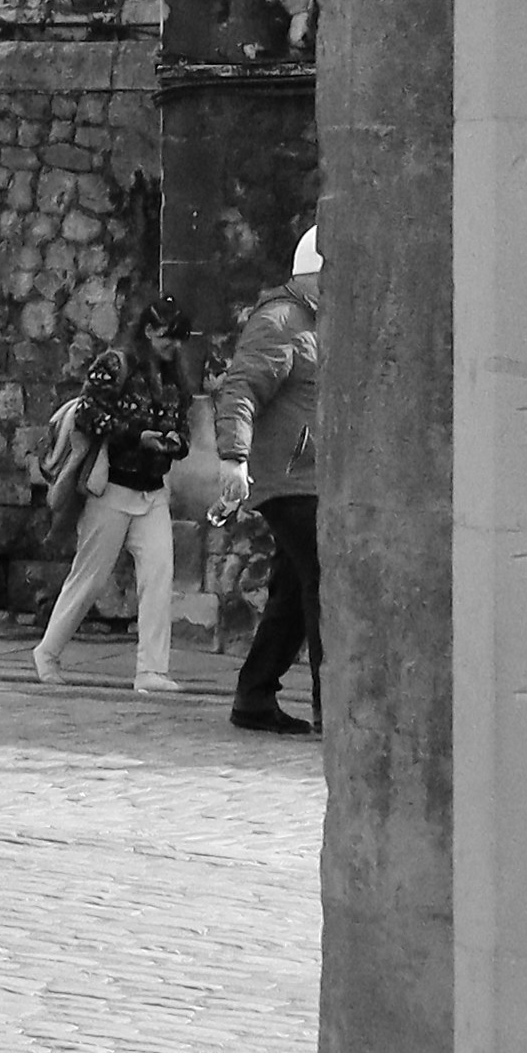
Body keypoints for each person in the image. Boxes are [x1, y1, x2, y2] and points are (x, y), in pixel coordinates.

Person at [31, 299, 206, 695]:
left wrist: (174, 443)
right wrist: (135, 435)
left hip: (152, 491)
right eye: (166, 336)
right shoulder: (115, 365)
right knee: (89, 578)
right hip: (110, 489)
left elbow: (184, 431)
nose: (173, 345)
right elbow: (90, 414)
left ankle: (151, 671)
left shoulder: (176, 379)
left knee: (158, 578)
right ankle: (48, 651)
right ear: (148, 330)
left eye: (178, 338)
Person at [210, 225, 326, 736]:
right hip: (292, 481)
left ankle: (254, 696)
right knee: (329, 584)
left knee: (294, 590)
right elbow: (241, 388)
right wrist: (234, 457)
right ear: (317, 275)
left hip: (311, 478)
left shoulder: (317, 319)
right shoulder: (282, 320)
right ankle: (335, 707)